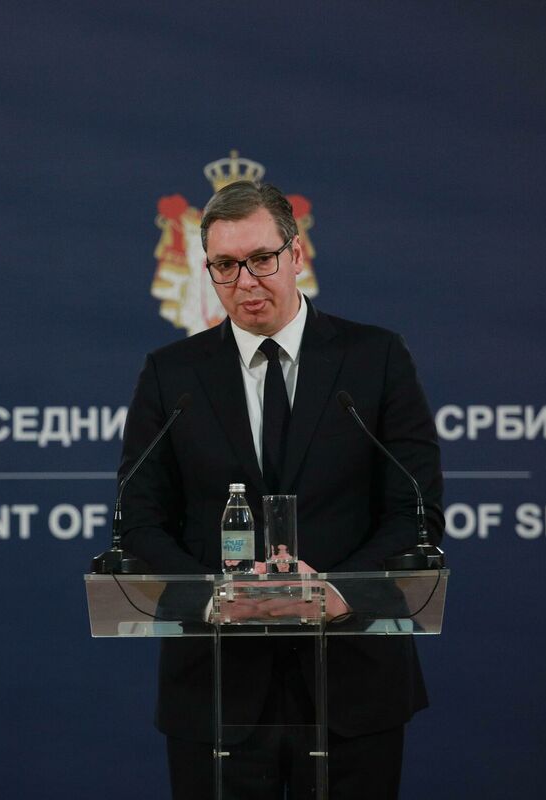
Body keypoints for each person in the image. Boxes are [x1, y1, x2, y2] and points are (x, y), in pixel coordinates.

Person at [118, 181, 443, 799]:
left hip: (353, 682)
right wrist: (214, 598)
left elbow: (416, 511)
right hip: (216, 689)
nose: (245, 281)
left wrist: (338, 592)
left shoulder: (374, 358)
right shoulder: (171, 375)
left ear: (296, 254)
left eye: (261, 259)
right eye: (224, 265)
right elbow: (138, 520)